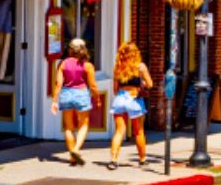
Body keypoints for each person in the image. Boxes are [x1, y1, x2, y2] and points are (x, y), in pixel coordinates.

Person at [51, 38, 101, 166]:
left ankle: (72, 156)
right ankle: (76, 150)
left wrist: (54, 101)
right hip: (81, 94)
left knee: (68, 127)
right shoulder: (88, 65)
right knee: (83, 124)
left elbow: (58, 84)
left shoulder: (62, 64)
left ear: (70, 49)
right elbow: (93, 86)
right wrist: (98, 98)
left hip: (66, 94)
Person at [109, 42, 154, 169]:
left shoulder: (118, 67)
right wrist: (143, 83)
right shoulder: (140, 67)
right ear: (136, 53)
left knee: (119, 131)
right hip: (134, 99)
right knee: (138, 131)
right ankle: (142, 159)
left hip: (120, 98)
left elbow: (115, 90)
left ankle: (113, 160)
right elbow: (150, 84)